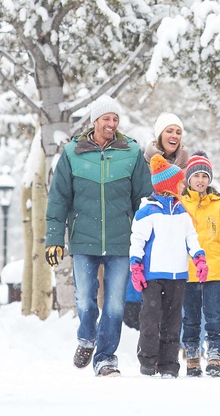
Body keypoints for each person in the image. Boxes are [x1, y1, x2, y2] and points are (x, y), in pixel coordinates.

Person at [45, 94, 151, 377]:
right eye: (106, 118)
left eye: (115, 119)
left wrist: (144, 240)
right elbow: (58, 199)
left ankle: (105, 358)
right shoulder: (72, 153)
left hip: (121, 240)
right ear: (94, 121)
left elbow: (143, 200)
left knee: (115, 304)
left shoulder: (131, 152)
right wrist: (54, 239)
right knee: (84, 299)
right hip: (83, 238)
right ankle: (86, 337)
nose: (112, 123)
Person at [131, 154, 207, 378]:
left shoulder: (183, 211)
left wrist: (199, 258)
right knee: (150, 319)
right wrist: (135, 266)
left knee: (173, 322)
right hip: (153, 274)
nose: (184, 186)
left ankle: (169, 365)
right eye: (180, 182)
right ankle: (148, 360)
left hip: (178, 275)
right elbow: (137, 240)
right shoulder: (148, 210)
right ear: (169, 185)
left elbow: (191, 238)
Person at [180, 152, 220, 377]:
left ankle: (215, 355)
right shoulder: (181, 204)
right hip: (187, 270)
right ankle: (193, 356)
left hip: (214, 270)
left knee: (214, 315)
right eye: (196, 175)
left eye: (205, 176)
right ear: (189, 179)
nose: (200, 180)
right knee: (190, 317)